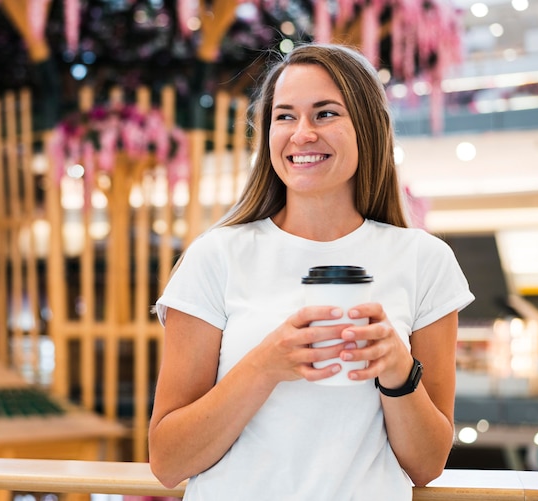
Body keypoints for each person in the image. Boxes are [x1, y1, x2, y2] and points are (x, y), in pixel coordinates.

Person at [148, 43, 474, 500]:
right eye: (284, 116)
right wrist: (265, 365)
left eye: (325, 114)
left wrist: (399, 370)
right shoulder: (216, 256)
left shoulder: (425, 261)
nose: (302, 134)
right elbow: (168, 461)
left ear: (367, 127)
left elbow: (426, 466)